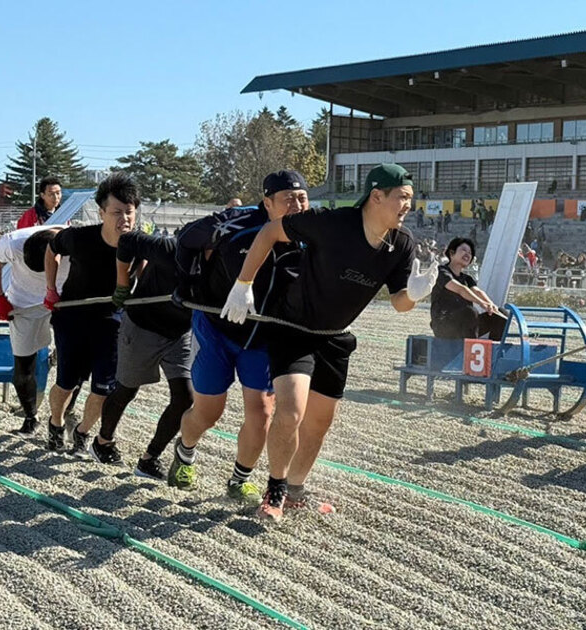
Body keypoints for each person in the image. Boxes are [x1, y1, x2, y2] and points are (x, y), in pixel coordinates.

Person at [220, 163, 438, 522]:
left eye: (410, 200)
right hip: (295, 330)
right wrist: (243, 285)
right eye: (402, 197)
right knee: (290, 411)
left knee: (321, 422)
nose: (407, 206)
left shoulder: (401, 244)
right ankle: (273, 491)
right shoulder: (333, 222)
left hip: (335, 337)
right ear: (377, 196)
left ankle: (295, 490)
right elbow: (270, 232)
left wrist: (415, 294)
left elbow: (399, 303)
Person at [168, 171, 309, 504]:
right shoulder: (234, 224)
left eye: (302, 198)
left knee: (261, 410)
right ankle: (185, 452)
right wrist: (186, 282)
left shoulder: (313, 234)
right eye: (287, 199)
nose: (296, 206)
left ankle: (239, 479)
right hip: (217, 328)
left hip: (263, 337)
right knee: (208, 411)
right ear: (267, 203)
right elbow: (186, 237)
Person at [83, 230, 193, 481]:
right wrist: (123, 285)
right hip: (143, 323)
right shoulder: (170, 249)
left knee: (185, 396)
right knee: (126, 390)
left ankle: (149, 459)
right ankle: (103, 442)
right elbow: (127, 241)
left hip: (179, 333)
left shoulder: (228, 265)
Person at [43, 173, 138, 454]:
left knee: (103, 388)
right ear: (102, 212)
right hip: (72, 318)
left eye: (129, 212)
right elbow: (51, 249)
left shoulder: (139, 243)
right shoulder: (79, 238)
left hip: (111, 322)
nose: (124, 219)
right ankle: (56, 423)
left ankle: (83, 432)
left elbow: (146, 266)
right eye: (117, 212)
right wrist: (51, 289)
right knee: (66, 384)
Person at [0, 226, 70, 434]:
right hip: (24, 304)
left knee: (73, 362)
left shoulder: (76, 242)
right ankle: (30, 417)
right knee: (23, 366)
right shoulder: (12, 242)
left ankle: (63, 413)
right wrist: (0, 297)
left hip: (64, 301)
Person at [430, 237, 504, 339]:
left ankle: (493, 351)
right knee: (471, 312)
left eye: (470, 253)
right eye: (464, 250)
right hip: (444, 324)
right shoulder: (441, 272)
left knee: (501, 315)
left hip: (466, 323)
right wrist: (481, 303)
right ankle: (471, 351)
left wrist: (490, 304)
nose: (468, 254)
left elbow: (477, 291)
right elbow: (461, 289)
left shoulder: (467, 278)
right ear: (451, 253)